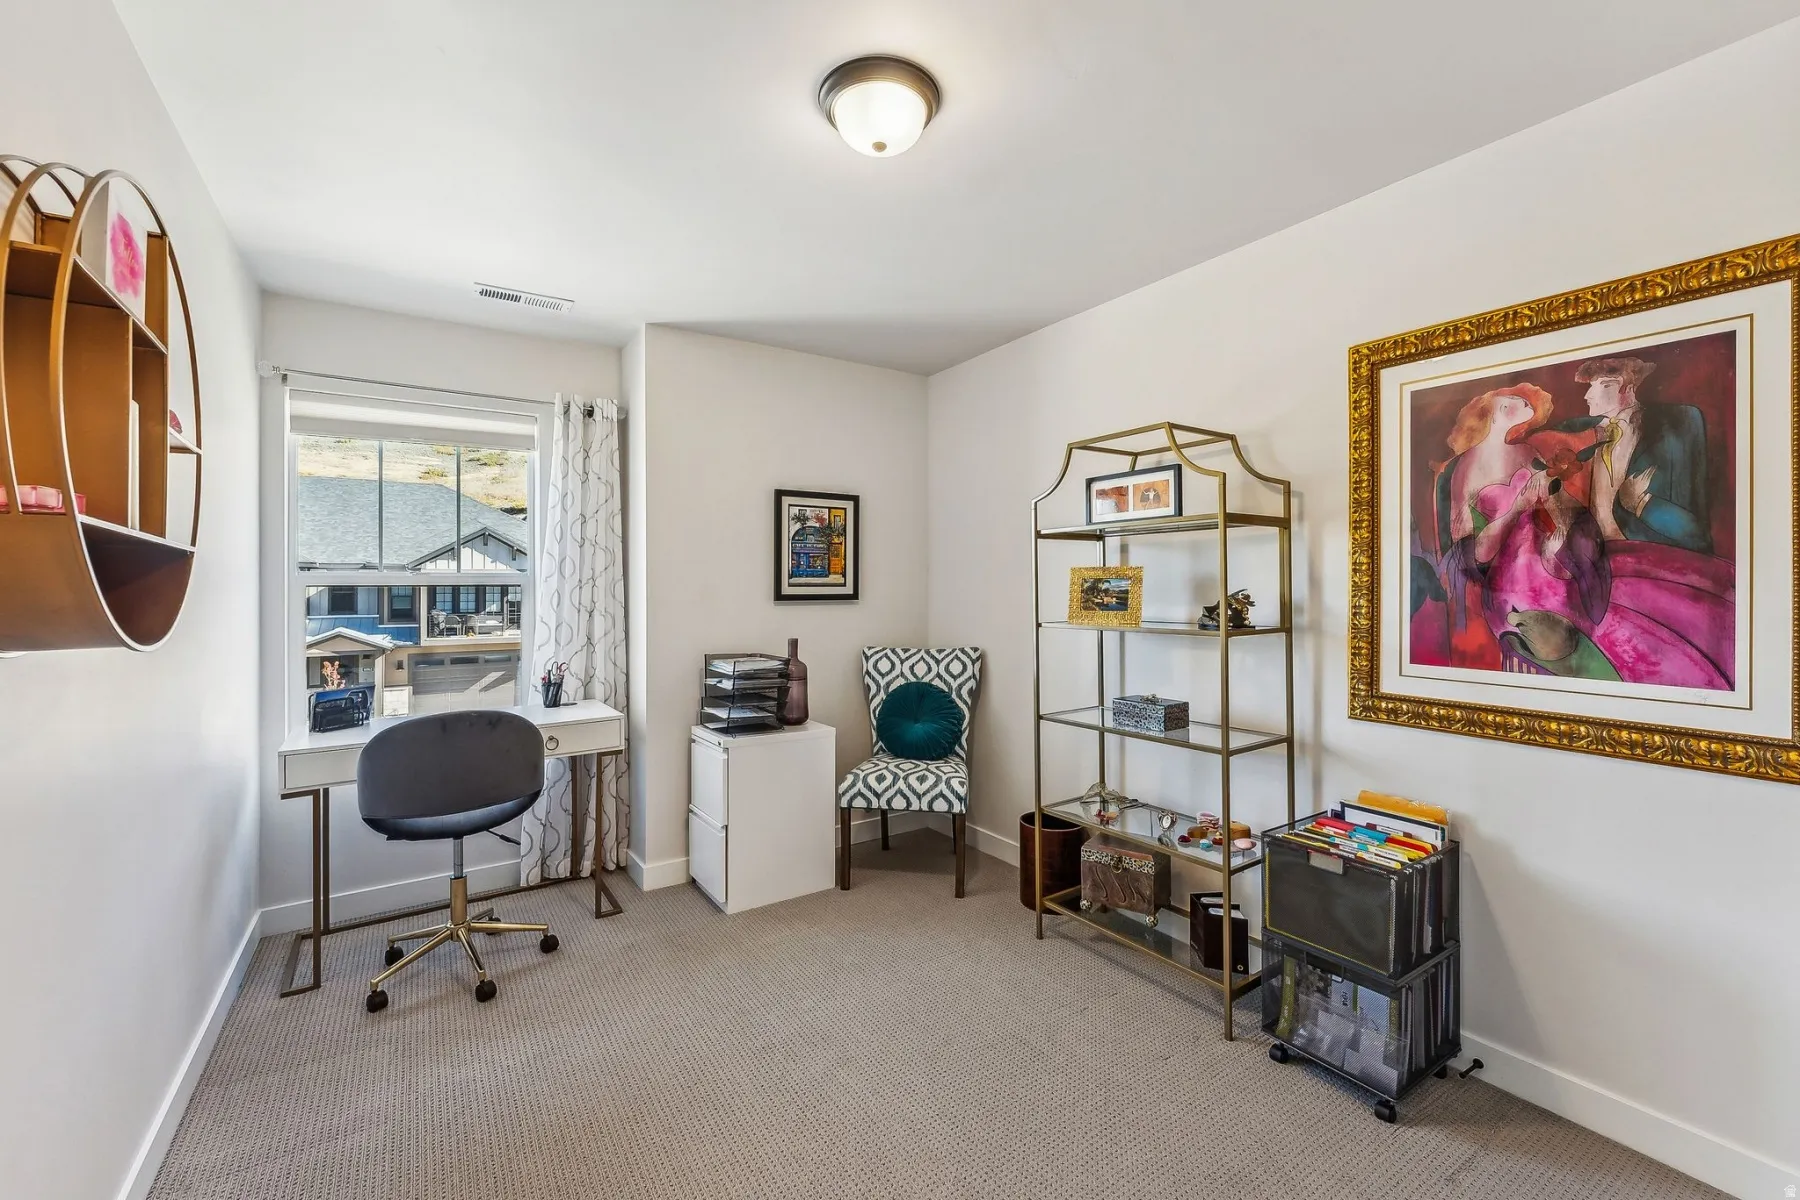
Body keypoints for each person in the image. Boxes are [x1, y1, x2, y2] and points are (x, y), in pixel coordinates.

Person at [1554, 356, 1711, 553]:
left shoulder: (1674, 427)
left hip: (1648, 556)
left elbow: (1696, 534)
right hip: (1590, 559)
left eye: (1603, 386)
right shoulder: (1571, 430)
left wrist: (1641, 503)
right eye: (1590, 386)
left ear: (1628, 389)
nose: (1588, 395)